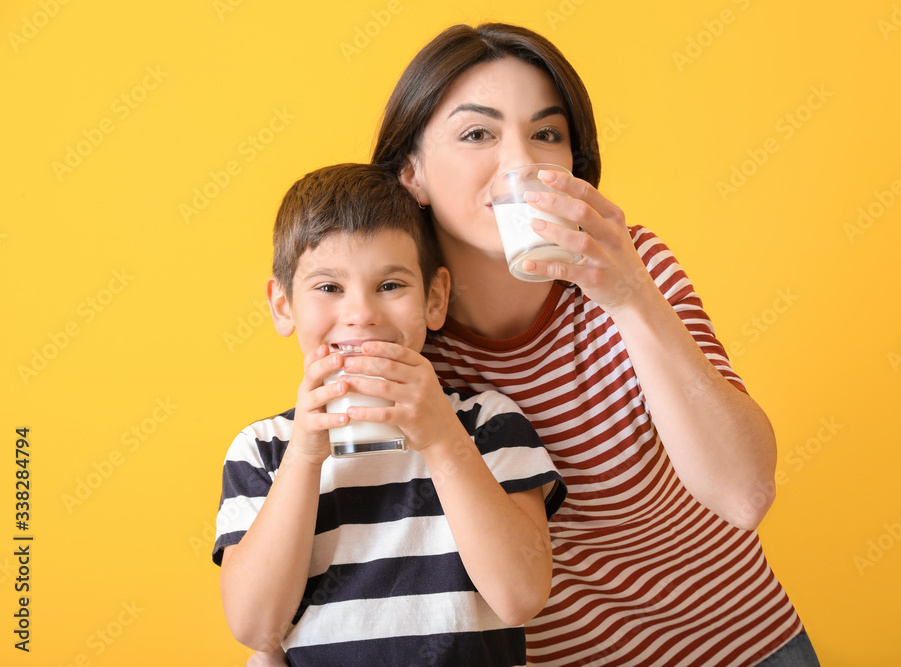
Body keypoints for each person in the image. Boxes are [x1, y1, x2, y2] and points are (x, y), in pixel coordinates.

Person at [370, 23, 822, 666]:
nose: (520, 162)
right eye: (478, 134)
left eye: (546, 134)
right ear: (410, 173)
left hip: (749, 648)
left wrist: (629, 295)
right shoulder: (403, 336)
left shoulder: (632, 271)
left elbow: (744, 492)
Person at [212, 163, 566, 666]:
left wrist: (443, 442)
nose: (362, 315)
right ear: (283, 305)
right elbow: (255, 626)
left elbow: (521, 597)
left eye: (391, 285)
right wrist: (305, 456)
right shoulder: (264, 450)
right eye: (329, 288)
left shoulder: (487, 425)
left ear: (435, 299)